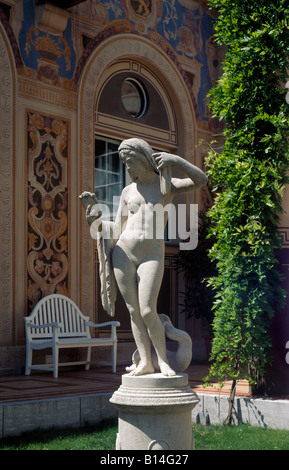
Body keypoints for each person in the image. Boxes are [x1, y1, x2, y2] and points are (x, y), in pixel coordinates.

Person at [80, 138, 207, 376]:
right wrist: (95, 219)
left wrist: (176, 159)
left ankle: (163, 362)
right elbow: (116, 229)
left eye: (131, 162)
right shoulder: (128, 191)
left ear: (144, 158)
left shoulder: (165, 185)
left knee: (148, 310)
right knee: (134, 311)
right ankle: (145, 362)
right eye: (125, 164)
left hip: (152, 254)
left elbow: (201, 180)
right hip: (123, 253)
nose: (128, 169)